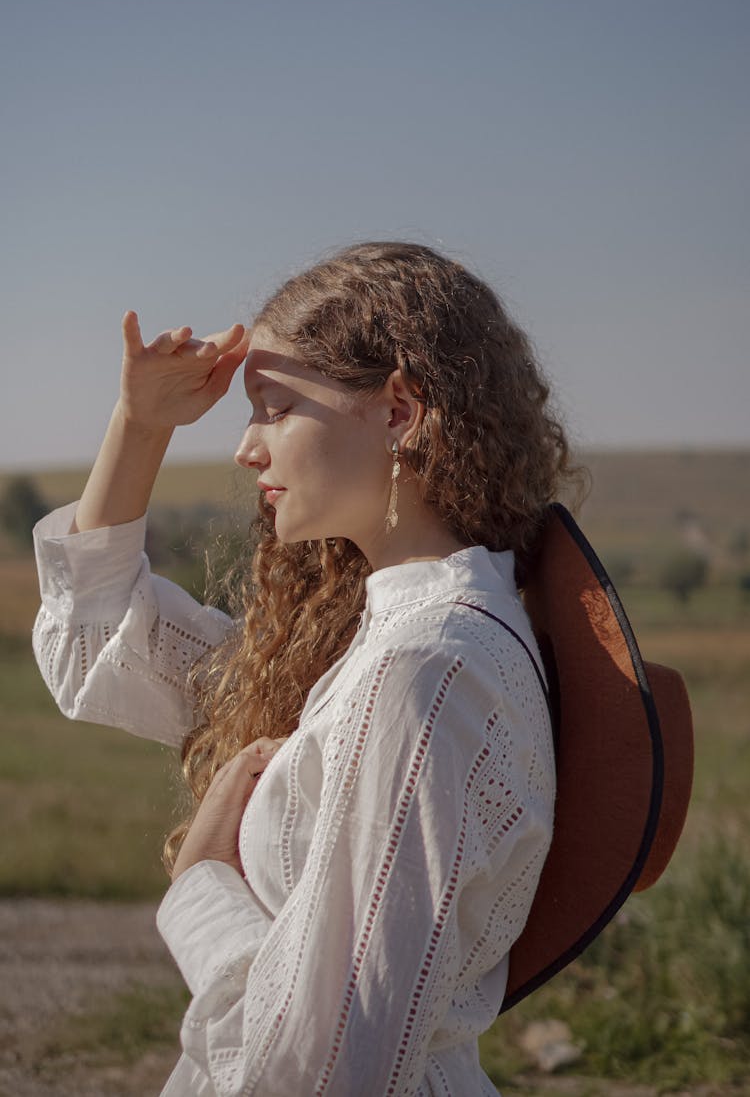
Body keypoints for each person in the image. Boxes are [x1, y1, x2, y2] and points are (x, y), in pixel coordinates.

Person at [32, 241, 579, 1096]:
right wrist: (139, 426)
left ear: (399, 410)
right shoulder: (378, 635)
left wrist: (200, 890)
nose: (248, 448)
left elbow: (315, 1072)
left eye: (274, 408)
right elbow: (92, 651)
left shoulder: (428, 672)